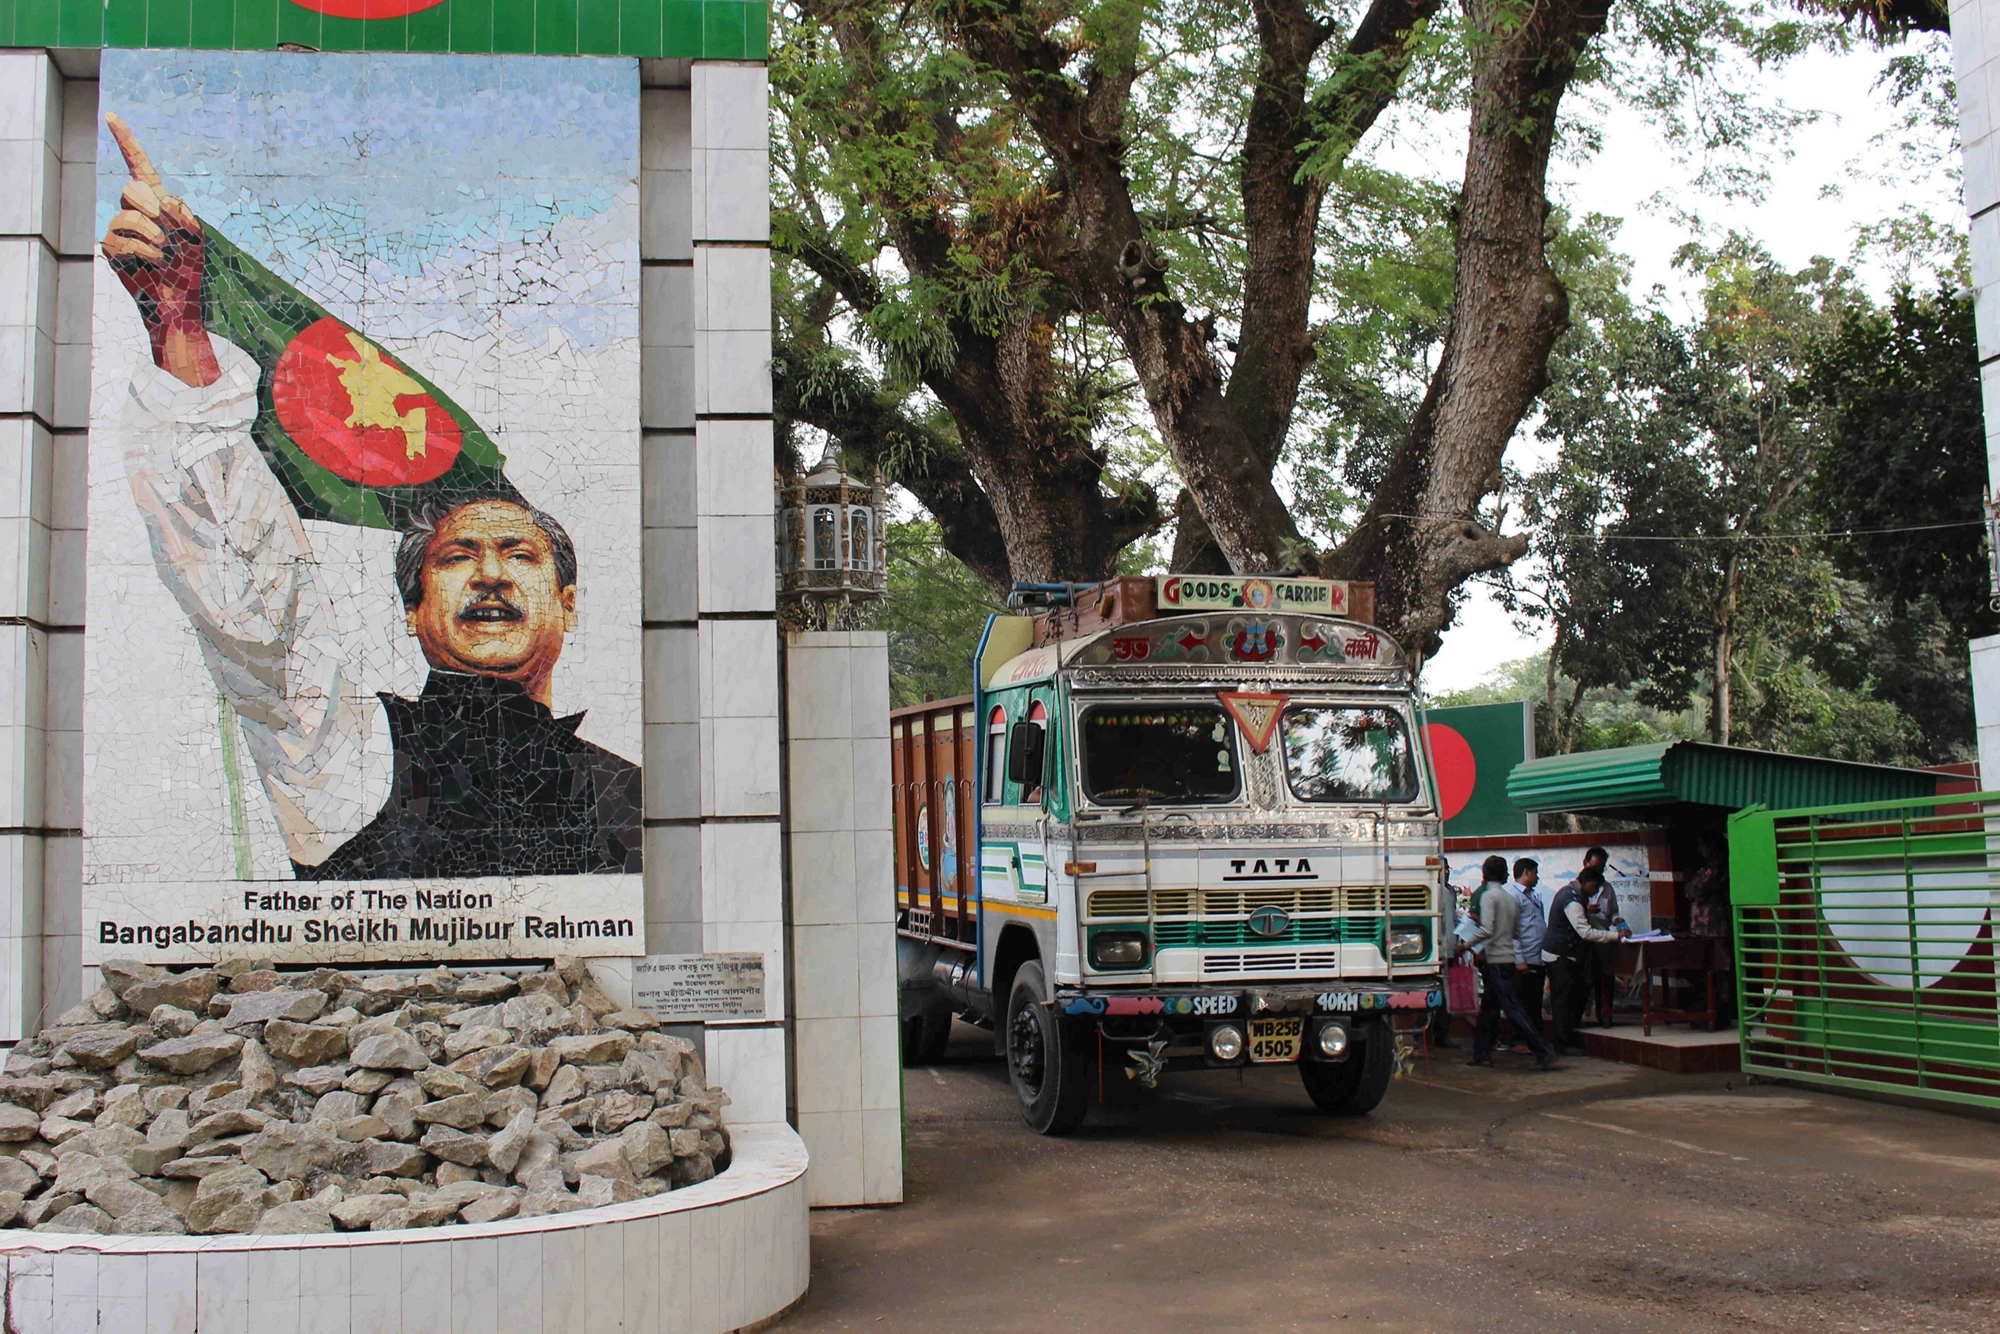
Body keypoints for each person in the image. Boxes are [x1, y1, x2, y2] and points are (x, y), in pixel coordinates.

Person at [102, 118, 642, 882]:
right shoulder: (349, 757)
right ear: (414, 607)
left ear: (568, 602)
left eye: (520, 553)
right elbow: (260, 615)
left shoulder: (635, 799)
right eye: (458, 555)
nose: (490, 572)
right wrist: (179, 331)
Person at [1462, 856, 1557, 1070]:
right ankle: (1481, 1054)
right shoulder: (1510, 899)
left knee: (1512, 1008)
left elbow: (1486, 930)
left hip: (1496, 960)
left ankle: (1541, 1048)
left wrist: (1465, 945)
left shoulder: (1489, 897)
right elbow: (1516, 933)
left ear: (1485, 874)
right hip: (1508, 959)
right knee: (1489, 1010)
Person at [1543, 865, 1630, 1052]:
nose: (1596, 892)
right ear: (1586, 883)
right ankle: (1561, 1043)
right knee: (1563, 1000)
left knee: (1570, 997)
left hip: (1568, 954)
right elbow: (1585, 932)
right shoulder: (1572, 900)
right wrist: (1616, 936)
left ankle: (1566, 1038)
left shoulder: (1573, 894)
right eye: (1595, 887)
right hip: (1561, 954)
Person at [1506, 858, 1547, 1052]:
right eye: (1535, 873)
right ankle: (1520, 1040)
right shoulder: (1514, 896)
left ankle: (1534, 1040)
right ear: (1526, 873)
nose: (1537, 877)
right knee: (1523, 1001)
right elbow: (1512, 930)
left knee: (1534, 1002)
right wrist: (1519, 959)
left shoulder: (1532, 895)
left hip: (1538, 956)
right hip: (1525, 959)